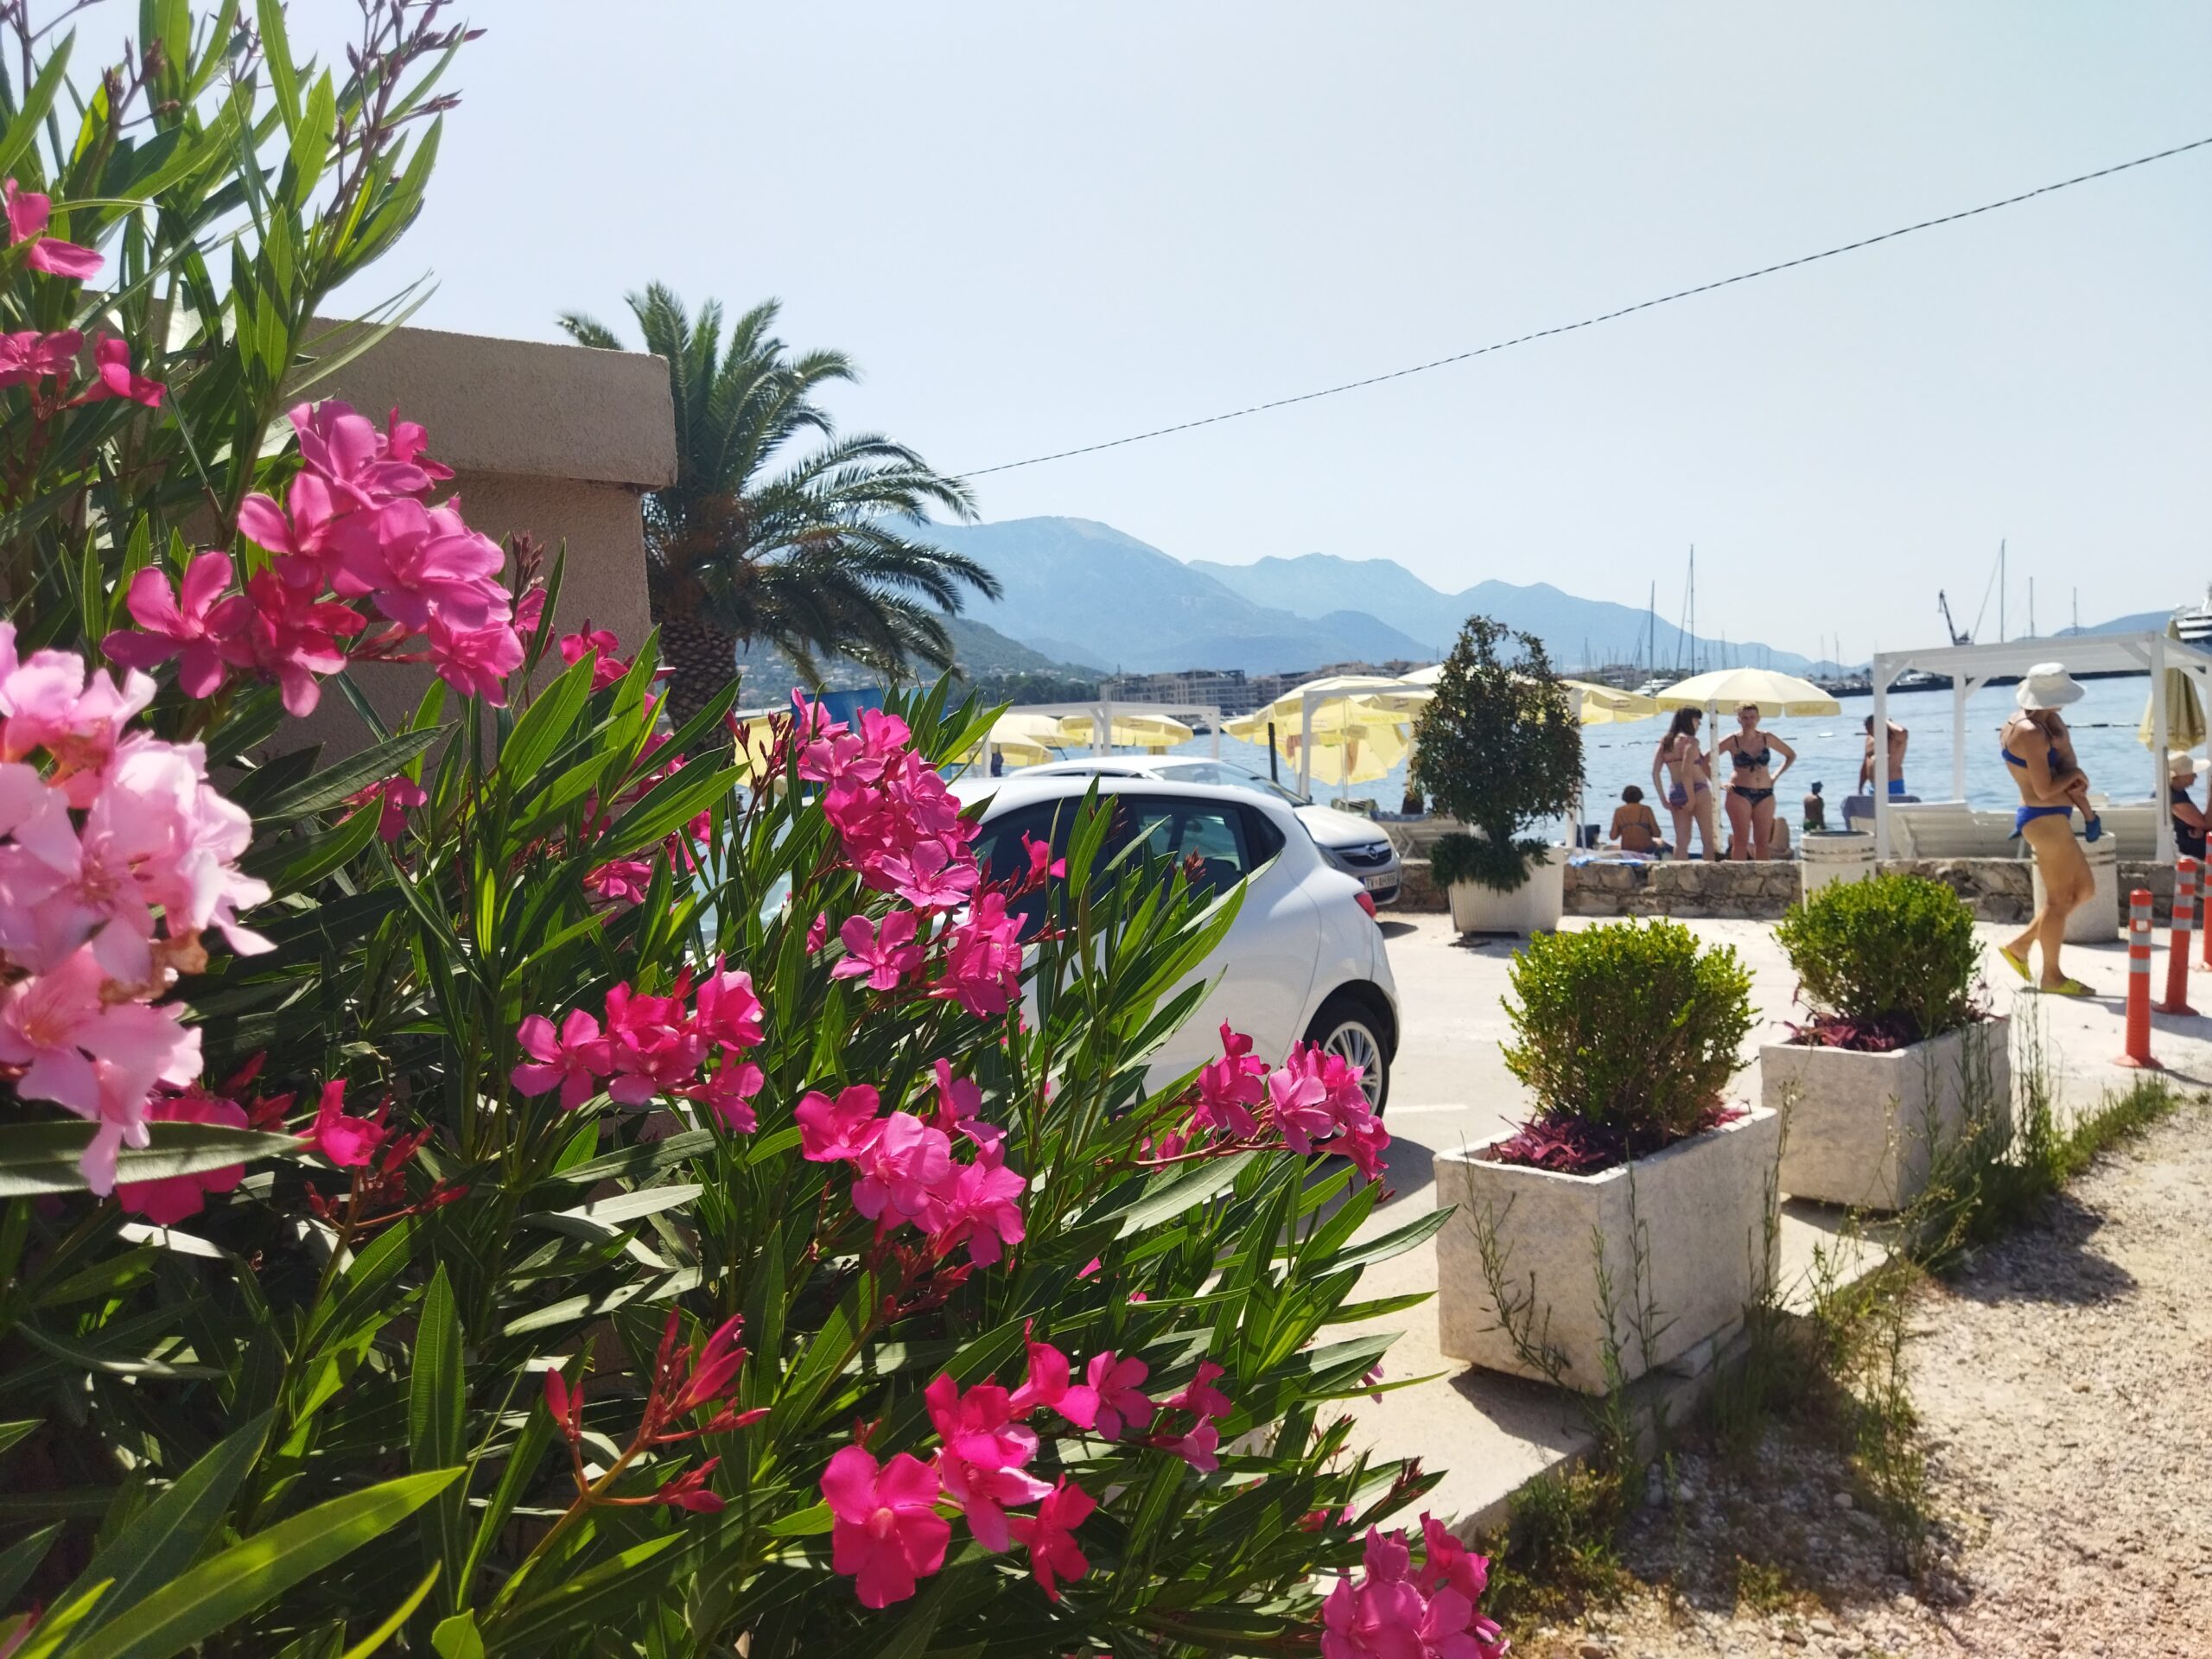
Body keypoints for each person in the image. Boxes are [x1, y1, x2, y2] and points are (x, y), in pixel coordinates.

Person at [1998, 663, 2100, 995]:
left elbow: (2066, 763)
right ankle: (2052, 977)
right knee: (2058, 901)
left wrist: (2065, 745)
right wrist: (2075, 776)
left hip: (2052, 817)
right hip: (2043, 819)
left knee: (2084, 891)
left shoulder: (2046, 722)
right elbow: (2044, 789)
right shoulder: (2029, 731)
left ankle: (2020, 945)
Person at [1716, 702, 1796, 861]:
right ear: (1739, 719)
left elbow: (1790, 755)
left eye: (1752, 717)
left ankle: (1762, 873)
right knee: (1741, 840)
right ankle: (1738, 873)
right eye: (1745, 718)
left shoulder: (1767, 738)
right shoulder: (1733, 740)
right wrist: (1719, 783)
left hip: (1765, 793)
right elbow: (1705, 760)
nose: (1749, 721)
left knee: (1762, 842)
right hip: (1740, 792)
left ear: (1758, 718)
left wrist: (1775, 776)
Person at [1650, 708, 1719, 861]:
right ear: (1688, 720)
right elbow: (1686, 771)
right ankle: (1709, 873)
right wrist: (1691, 798)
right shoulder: (1691, 741)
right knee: (1707, 840)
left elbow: (1655, 773)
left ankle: (1678, 874)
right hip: (1698, 790)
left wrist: (1663, 800)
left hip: (1676, 791)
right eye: (1697, 720)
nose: (1699, 724)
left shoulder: (1665, 743)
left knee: (1681, 842)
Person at [1859, 715, 1910, 798]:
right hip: (1873, 787)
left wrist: (1883, 719)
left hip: (1892, 785)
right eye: (1868, 729)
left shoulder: (1895, 739)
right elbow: (1866, 764)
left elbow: (1902, 731)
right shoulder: (1870, 739)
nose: (1869, 732)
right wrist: (1860, 787)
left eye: (1871, 728)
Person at [1608, 785, 1666, 855]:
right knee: (1661, 843)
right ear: (1640, 796)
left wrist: (1625, 828)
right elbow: (1657, 834)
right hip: (1646, 849)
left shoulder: (1619, 811)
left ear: (1624, 797)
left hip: (1628, 850)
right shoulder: (1646, 810)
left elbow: (1613, 837)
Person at [2171, 751, 2207, 861]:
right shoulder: (2172, 796)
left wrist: (2199, 826)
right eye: (2193, 773)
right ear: (2183, 776)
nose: (2196, 777)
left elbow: (2200, 822)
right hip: (2188, 849)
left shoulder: (2176, 793)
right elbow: (2206, 823)